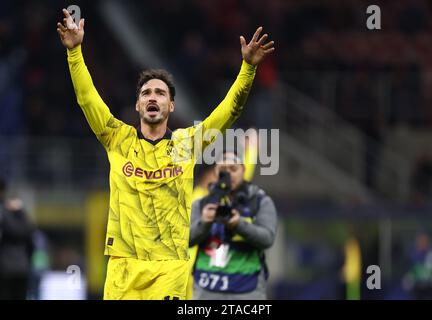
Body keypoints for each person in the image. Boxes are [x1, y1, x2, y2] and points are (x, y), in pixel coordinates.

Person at [56, 8, 274, 300]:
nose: (153, 98)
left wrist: (248, 68)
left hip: (169, 267)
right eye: (146, 93)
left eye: (160, 93)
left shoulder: (186, 144)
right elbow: (87, 98)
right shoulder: (117, 138)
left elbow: (228, 112)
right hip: (124, 266)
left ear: (171, 106)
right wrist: (74, 53)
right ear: (137, 106)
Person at [190, 151, 277, 299]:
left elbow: (267, 239)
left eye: (233, 168)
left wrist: (239, 225)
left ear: (243, 170)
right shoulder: (201, 203)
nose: (228, 174)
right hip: (207, 288)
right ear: (215, 172)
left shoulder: (260, 202)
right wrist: (204, 223)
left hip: (246, 289)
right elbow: (184, 240)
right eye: (223, 170)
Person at [0, 179, 34, 300]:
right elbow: (31, 242)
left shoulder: (4, 212)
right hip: (21, 266)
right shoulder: (21, 214)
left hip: (5, 267)